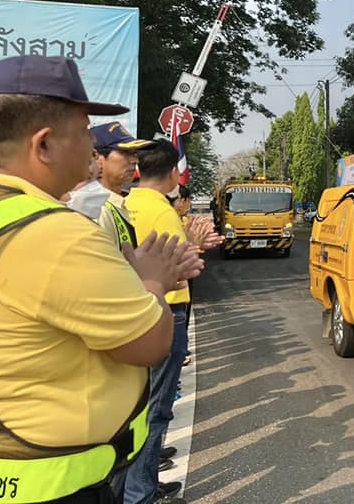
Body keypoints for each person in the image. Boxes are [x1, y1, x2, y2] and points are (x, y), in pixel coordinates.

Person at [0, 55, 202, 504]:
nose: (92, 151)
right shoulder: (51, 232)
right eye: (84, 134)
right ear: (43, 145)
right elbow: (147, 344)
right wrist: (152, 281)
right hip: (48, 483)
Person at [124, 141, 199, 504]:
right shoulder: (163, 213)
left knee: (141, 404)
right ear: (173, 175)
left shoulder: (124, 204)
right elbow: (181, 271)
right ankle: (142, 491)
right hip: (166, 311)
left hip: (133, 310)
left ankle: (143, 480)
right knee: (157, 407)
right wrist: (195, 247)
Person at [92, 121, 155, 248]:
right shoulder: (98, 211)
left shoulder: (113, 204)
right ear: (98, 158)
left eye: (135, 153)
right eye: (125, 153)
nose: (135, 160)